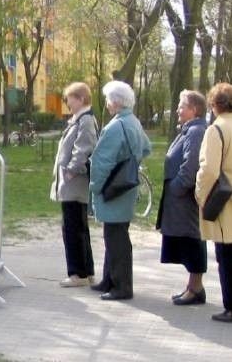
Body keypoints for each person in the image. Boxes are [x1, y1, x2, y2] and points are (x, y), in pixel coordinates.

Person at [89, 80, 151, 301]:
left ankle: (121, 286)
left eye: (108, 100)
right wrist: (131, 162)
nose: (107, 104)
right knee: (115, 235)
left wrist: (95, 186)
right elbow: (146, 147)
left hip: (113, 188)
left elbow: (102, 161)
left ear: (116, 102)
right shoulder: (133, 121)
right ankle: (109, 279)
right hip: (126, 185)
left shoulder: (116, 126)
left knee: (116, 238)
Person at [156, 90, 208, 305]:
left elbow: (191, 165)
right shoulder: (188, 130)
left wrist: (176, 189)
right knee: (187, 240)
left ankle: (196, 288)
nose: (178, 109)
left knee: (192, 240)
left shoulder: (196, 132)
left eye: (181, 105)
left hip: (185, 201)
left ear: (194, 109)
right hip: (179, 199)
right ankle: (193, 286)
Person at [195, 82, 232, 323]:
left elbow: (209, 169)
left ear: (215, 105)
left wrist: (200, 194)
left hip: (226, 201)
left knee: (227, 256)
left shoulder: (217, 129)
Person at [50, 82, 99, 287]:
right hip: (73, 183)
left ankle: (77, 274)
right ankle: (86, 272)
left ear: (80, 99)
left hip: (74, 184)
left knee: (72, 228)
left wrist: (71, 170)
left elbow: (83, 148)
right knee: (78, 227)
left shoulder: (85, 120)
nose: (67, 102)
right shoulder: (80, 119)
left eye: (69, 98)